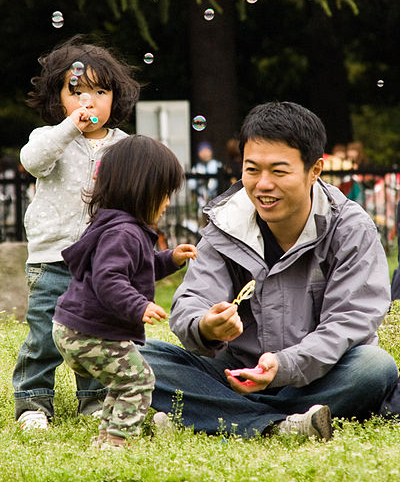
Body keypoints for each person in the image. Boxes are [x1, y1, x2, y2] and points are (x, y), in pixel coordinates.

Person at [140, 101, 397, 440]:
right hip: (233, 374)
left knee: (373, 367)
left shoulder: (350, 228)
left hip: (320, 376)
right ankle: (280, 426)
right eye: (252, 170)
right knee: (133, 355)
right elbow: (193, 300)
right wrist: (205, 326)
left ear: (315, 170)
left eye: (279, 171)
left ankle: (217, 415)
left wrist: (283, 366)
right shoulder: (225, 224)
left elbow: (349, 322)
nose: (263, 185)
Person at [13, 35, 140, 430]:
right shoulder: (50, 139)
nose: (89, 102)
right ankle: (34, 403)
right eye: (77, 92)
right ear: (58, 99)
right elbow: (32, 162)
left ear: (114, 98)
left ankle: (94, 399)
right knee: (44, 336)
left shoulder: (124, 146)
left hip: (99, 265)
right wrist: (69, 127)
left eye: (100, 92)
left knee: (95, 332)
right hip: (52, 259)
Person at [52, 135, 197, 447]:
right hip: (88, 333)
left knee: (123, 381)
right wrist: (139, 306)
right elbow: (110, 279)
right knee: (139, 379)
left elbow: (137, 269)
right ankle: (119, 443)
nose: (168, 202)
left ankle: (106, 439)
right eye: (164, 193)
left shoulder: (117, 225)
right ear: (141, 189)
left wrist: (170, 259)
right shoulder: (124, 232)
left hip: (74, 329)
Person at [188, 141, 222, 221]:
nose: (204, 153)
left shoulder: (217, 165)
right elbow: (191, 185)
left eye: (207, 150)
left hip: (216, 198)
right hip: (201, 199)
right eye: (202, 151)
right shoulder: (197, 167)